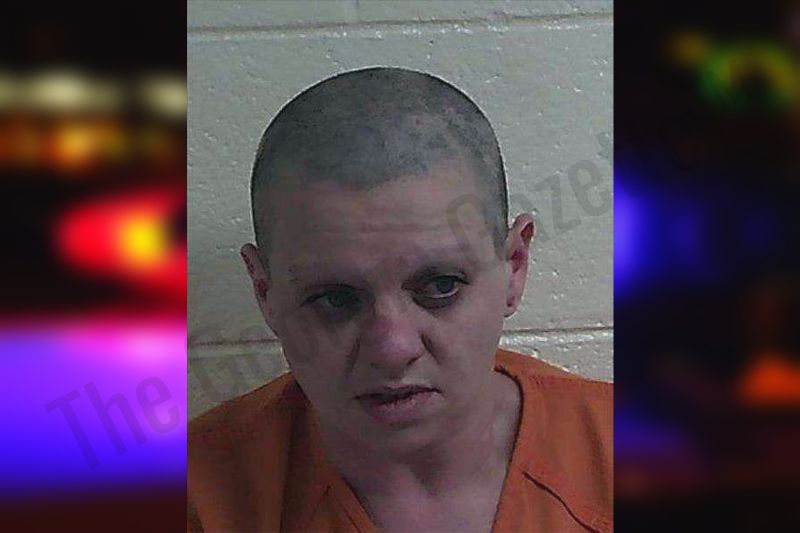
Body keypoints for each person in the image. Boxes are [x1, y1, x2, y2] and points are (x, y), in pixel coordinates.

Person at [188, 67, 612, 532]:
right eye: (335, 299)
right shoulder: (199, 496)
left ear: (513, 267)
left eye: (441, 286)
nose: (392, 349)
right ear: (265, 293)